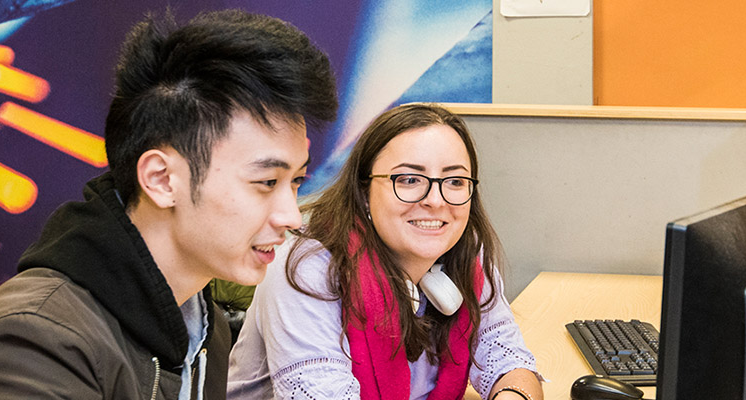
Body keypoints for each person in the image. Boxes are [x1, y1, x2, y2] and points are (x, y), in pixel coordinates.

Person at [0, 9, 337, 399]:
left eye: (295, 181)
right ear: (161, 179)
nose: (290, 217)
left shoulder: (204, 327)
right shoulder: (37, 339)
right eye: (266, 182)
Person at [227, 103, 543, 400]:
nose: (435, 200)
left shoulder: (465, 251)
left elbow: (508, 359)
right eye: (408, 179)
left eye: (455, 181)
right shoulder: (306, 265)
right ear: (364, 194)